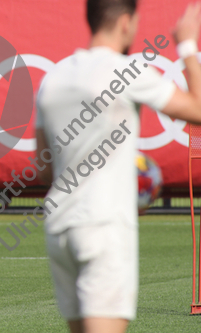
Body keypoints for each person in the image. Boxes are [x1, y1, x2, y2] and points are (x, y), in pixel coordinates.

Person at [35, 1, 201, 332]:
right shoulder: (128, 69)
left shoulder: (54, 76)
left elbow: (43, 169)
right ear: (125, 22)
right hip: (103, 224)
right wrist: (187, 45)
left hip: (59, 226)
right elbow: (198, 110)